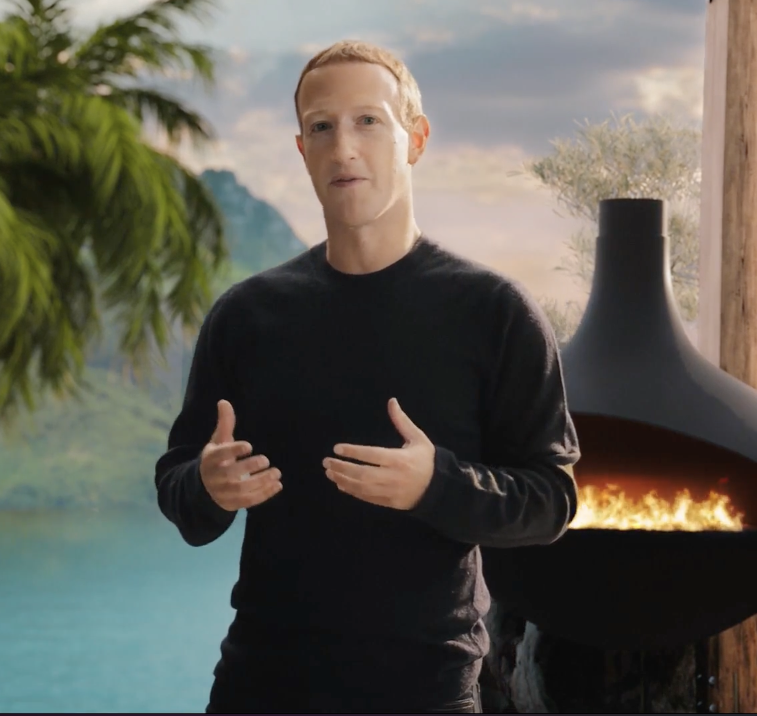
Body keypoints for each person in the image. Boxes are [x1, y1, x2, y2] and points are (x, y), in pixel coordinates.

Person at [154, 38, 580, 714]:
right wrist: (207, 485)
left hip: (426, 691)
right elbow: (180, 493)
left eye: (368, 121)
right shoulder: (245, 316)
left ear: (415, 138)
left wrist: (434, 484)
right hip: (258, 687)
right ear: (302, 151)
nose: (342, 147)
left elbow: (550, 501)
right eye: (321, 127)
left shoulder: (494, 313)